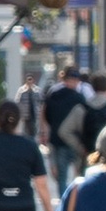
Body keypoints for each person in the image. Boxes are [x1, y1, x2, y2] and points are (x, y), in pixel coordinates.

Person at [38, 61, 88, 200]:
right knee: (80, 175)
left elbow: (46, 116)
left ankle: (65, 203)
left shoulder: (53, 94)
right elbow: (84, 120)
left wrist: (46, 132)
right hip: (76, 141)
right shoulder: (79, 97)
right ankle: (77, 202)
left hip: (57, 141)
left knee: (61, 177)